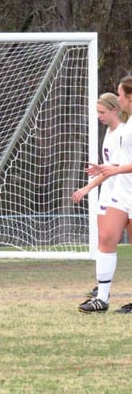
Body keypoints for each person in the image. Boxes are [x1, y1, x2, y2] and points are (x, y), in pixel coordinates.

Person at [75, 76, 132, 313]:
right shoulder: (127, 127)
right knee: (107, 237)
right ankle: (103, 298)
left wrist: (115, 169)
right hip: (123, 191)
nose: (118, 99)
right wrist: (106, 169)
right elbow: (122, 161)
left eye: (120, 94)